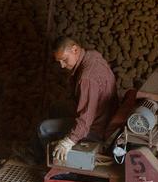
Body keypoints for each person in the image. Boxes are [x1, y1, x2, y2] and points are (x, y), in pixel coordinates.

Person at [36, 36, 119, 164]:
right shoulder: (92, 56)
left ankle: (56, 165)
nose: (62, 66)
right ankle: (43, 148)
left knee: (43, 128)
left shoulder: (87, 79)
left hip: (96, 128)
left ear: (74, 50)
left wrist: (69, 141)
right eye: (59, 62)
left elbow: (85, 121)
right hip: (105, 114)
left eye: (64, 60)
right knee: (56, 108)